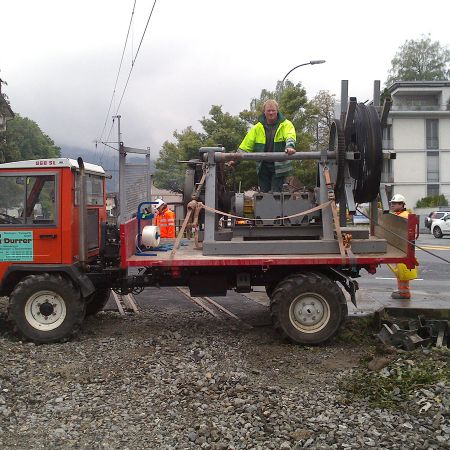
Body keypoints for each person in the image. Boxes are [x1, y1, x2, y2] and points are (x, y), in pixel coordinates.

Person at [231, 99, 296, 193]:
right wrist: (235, 159)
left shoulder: (286, 124)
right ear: (264, 112)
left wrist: (289, 147)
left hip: (279, 165)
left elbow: (290, 136)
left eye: (273, 110)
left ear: (277, 111)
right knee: (264, 193)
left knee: (275, 193)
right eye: (268, 110)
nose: (271, 113)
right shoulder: (257, 127)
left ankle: (275, 205)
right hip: (263, 166)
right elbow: (246, 145)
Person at [388, 194, 417, 299]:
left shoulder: (403, 215)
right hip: (402, 247)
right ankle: (402, 291)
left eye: (395, 203)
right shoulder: (400, 214)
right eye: (392, 203)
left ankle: (404, 292)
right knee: (400, 271)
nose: (392, 205)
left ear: (401, 204)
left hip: (403, 248)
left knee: (403, 271)